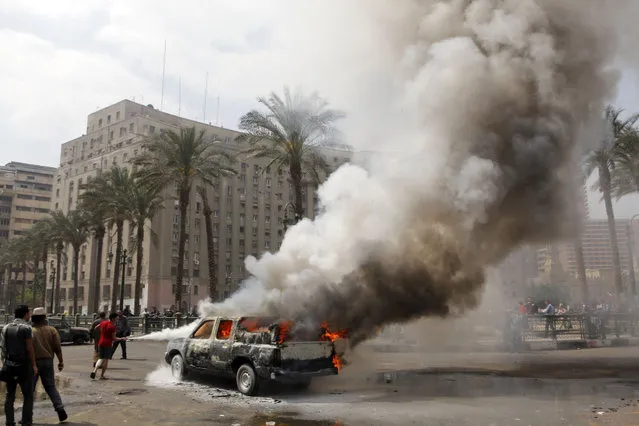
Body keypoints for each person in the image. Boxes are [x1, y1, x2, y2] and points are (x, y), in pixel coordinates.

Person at [0, 305, 37, 426]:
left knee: (9, 395)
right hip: (24, 366)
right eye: (29, 313)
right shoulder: (26, 328)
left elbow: (3, 348)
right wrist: (34, 365)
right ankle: (26, 421)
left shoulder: (5, 328)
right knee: (28, 394)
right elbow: (29, 348)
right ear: (26, 314)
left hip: (10, 365)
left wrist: (4, 363)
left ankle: (9, 421)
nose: (30, 315)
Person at [31, 307, 68, 422]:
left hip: (33, 362)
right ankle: (60, 408)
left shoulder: (30, 331)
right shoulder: (52, 330)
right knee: (50, 387)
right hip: (47, 361)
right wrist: (61, 362)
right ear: (44, 318)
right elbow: (57, 348)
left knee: (30, 389)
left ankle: (27, 416)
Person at [91, 313, 126, 380]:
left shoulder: (103, 323)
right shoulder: (112, 327)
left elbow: (96, 327)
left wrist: (99, 334)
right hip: (107, 344)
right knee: (106, 360)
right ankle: (102, 376)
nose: (117, 319)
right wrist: (122, 338)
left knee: (100, 358)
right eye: (116, 318)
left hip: (101, 343)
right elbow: (114, 338)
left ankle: (94, 371)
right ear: (113, 318)